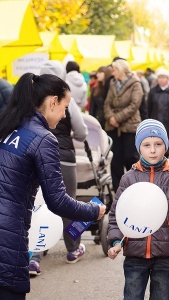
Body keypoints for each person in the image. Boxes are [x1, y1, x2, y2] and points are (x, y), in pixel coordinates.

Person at [0, 72, 106, 300]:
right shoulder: (43, 138)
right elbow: (57, 200)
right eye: (65, 107)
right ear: (52, 102)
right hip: (8, 239)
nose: (65, 113)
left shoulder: (9, 127)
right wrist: (94, 211)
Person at [107, 119, 169, 300]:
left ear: (166, 145)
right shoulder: (128, 178)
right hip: (135, 253)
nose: (153, 150)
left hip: (166, 254)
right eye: (146, 145)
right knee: (132, 296)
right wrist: (116, 241)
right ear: (138, 147)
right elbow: (116, 214)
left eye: (158, 144)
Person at [29, 61, 90, 276]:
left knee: (37, 205)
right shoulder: (65, 98)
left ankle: (33, 257)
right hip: (63, 157)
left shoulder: (32, 97)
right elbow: (82, 132)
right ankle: (73, 249)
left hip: (34, 156)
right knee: (67, 203)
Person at [104, 59, 143, 192]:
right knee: (115, 161)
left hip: (129, 126)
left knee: (130, 158)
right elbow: (107, 103)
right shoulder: (113, 83)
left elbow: (134, 104)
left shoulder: (136, 83)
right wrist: (111, 118)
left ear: (120, 70)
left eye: (114, 69)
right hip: (113, 127)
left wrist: (118, 118)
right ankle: (118, 190)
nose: (112, 72)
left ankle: (133, 187)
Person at [147, 68, 169, 157]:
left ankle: (165, 166)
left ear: (168, 79)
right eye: (159, 77)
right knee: (156, 147)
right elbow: (148, 108)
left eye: (163, 77)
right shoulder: (152, 91)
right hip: (155, 123)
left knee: (167, 147)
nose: (161, 79)